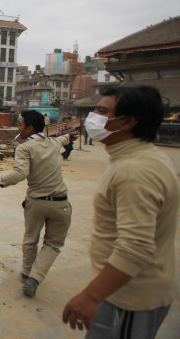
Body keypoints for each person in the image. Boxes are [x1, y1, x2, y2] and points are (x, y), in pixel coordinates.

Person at [62, 86, 178, 337]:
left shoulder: (134, 170)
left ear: (127, 122)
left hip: (130, 298)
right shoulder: (141, 158)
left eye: (102, 111)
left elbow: (136, 246)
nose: (93, 116)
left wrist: (91, 296)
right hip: (121, 290)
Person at [0, 110, 77, 297]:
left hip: (37, 203)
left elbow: (20, 174)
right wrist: (70, 135)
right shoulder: (52, 143)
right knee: (53, 244)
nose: (18, 127)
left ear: (30, 128)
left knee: (30, 240)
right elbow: (63, 140)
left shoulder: (24, 148)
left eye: (20, 124)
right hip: (61, 203)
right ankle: (35, 278)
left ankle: (27, 274)